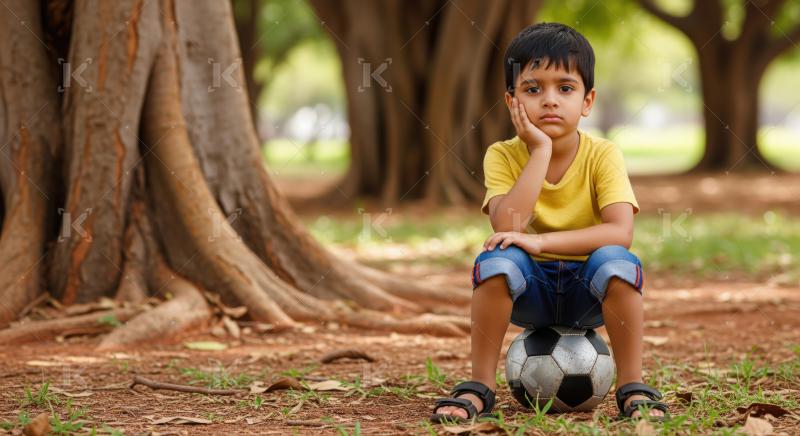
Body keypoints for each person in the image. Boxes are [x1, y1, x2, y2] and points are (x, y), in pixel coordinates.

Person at [430, 22, 670, 423]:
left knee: (618, 261)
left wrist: (544, 243)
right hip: (531, 291)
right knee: (495, 260)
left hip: (587, 291)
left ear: (588, 100)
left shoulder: (603, 155)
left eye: (565, 88)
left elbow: (620, 231)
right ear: (512, 101)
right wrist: (539, 150)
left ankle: (633, 385)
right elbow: (508, 224)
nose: (550, 101)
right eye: (532, 89)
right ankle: (480, 386)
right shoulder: (502, 155)